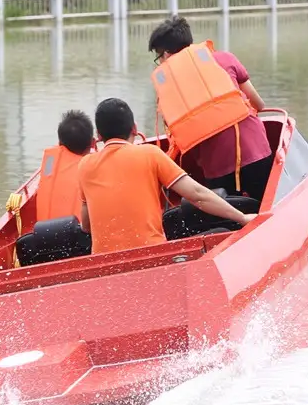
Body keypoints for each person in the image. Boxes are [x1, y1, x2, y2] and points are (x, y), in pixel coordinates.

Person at [78, 97, 255, 255]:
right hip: (151, 257)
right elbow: (197, 195)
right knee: (220, 232)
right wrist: (242, 217)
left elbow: (86, 226)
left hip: (104, 265)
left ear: (99, 136)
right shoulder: (149, 154)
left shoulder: (85, 166)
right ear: (134, 128)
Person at [148, 15, 273, 203]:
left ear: (166, 54)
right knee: (266, 206)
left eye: (159, 57)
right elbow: (259, 104)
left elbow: (179, 137)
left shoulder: (169, 90)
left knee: (229, 220)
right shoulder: (225, 58)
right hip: (255, 152)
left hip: (217, 169)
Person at [36, 109, 95, 223]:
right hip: (76, 238)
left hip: (42, 235)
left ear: (59, 143)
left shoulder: (50, 162)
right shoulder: (91, 170)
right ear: (93, 143)